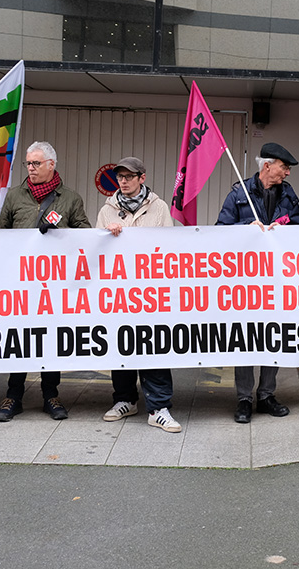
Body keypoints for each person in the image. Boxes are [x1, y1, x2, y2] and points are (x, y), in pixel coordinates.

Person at [0, 141, 91, 422]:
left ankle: (51, 395)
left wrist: (61, 232)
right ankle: (13, 395)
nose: (31, 168)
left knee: (50, 338)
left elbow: (85, 234)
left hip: (54, 284)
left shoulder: (70, 199)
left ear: (51, 165)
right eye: (28, 163)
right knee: (20, 339)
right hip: (21, 282)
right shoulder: (15, 196)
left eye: (36, 163)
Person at [216, 142, 299, 423]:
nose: (287, 173)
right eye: (284, 167)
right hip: (246, 282)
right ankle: (244, 398)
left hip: (278, 281)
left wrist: (285, 230)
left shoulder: (288, 195)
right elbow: (219, 232)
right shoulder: (238, 194)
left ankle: (266, 395)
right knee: (246, 338)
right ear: (267, 166)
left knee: (273, 336)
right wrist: (245, 228)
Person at [98, 156, 181, 433]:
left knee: (153, 346)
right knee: (122, 344)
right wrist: (106, 234)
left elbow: (169, 247)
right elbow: (96, 249)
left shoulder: (159, 208)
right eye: (120, 177)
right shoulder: (107, 210)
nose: (123, 181)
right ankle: (124, 399)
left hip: (151, 293)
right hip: (119, 293)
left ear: (141, 178)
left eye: (129, 177)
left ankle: (159, 407)